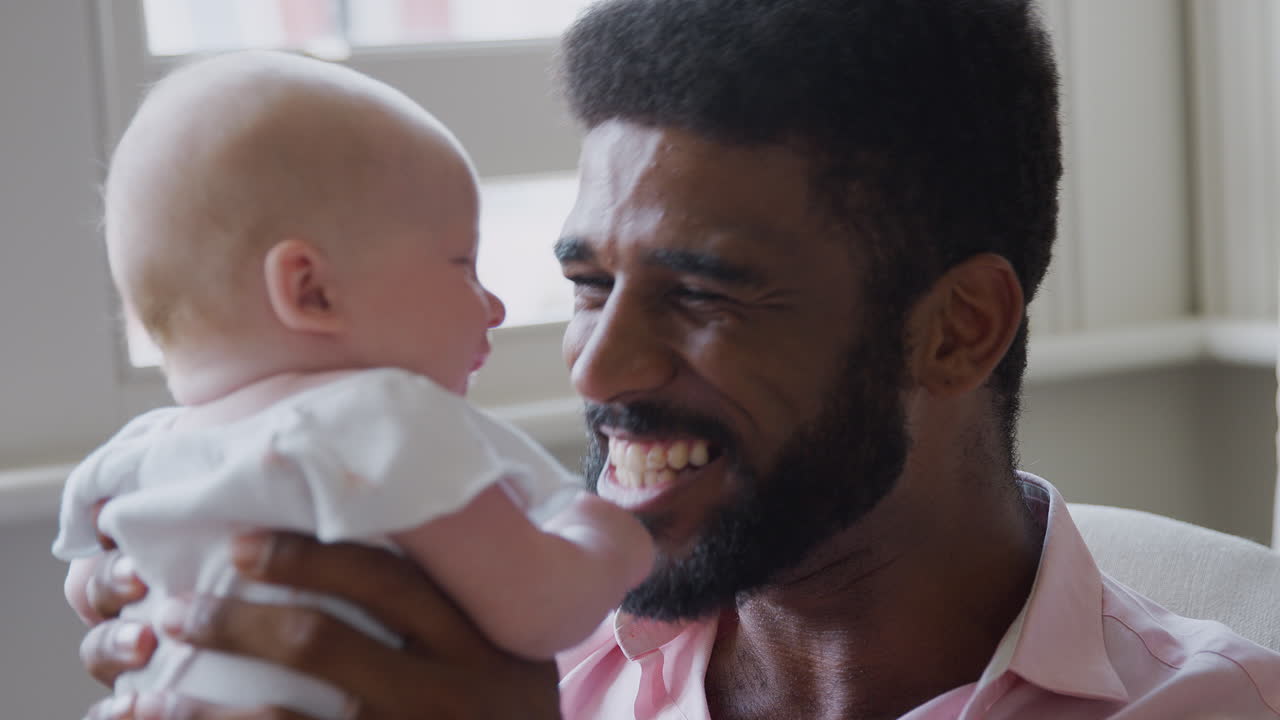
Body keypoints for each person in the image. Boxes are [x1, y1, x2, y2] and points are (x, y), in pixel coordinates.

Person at [72, 1, 1280, 719]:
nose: (594, 369)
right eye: (587, 283)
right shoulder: (480, 637)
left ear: (957, 328)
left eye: (701, 294)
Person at [52, 50, 654, 720]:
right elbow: (539, 610)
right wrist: (610, 542)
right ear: (311, 291)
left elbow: (94, 594)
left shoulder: (134, 455)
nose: (493, 306)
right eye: (463, 264)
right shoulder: (383, 422)